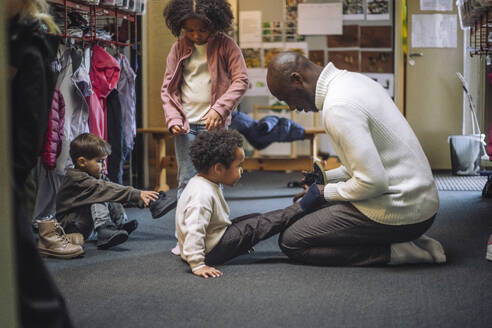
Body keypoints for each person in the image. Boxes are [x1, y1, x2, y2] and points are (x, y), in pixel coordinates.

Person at [266, 52, 446, 266]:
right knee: (307, 212)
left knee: (293, 240)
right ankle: (409, 240)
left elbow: (372, 182)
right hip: (420, 202)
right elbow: (369, 165)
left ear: (297, 80)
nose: (292, 107)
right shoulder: (354, 81)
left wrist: (325, 193)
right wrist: (324, 178)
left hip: (403, 210)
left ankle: (396, 252)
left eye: (287, 98)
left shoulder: (338, 107)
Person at [7, 0, 76, 326]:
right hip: (20, 167)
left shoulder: (28, 49)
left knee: (23, 270)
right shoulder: (22, 43)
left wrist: (16, 177)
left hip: (14, 171)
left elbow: (31, 127)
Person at [161, 0, 249, 255]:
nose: (196, 35)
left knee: (214, 180)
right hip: (186, 125)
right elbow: (168, 89)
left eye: (202, 29)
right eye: (189, 30)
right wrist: (173, 119)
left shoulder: (226, 45)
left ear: (214, 24)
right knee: (187, 181)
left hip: (215, 125)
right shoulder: (178, 47)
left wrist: (219, 109)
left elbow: (241, 81)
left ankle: (216, 233)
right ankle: (185, 238)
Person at [176, 130, 305, 278]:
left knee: (255, 218)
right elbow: (194, 229)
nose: (242, 170)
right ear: (218, 169)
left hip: (213, 239)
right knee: (259, 224)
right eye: (238, 166)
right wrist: (198, 264)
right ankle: (302, 207)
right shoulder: (201, 195)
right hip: (210, 253)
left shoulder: (201, 182)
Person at [55, 133, 161, 249]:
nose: (104, 165)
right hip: (72, 228)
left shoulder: (94, 176)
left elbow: (114, 190)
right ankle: (104, 229)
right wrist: (137, 194)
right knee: (102, 192)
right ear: (82, 162)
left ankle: (118, 225)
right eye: (100, 161)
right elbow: (103, 190)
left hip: (84, 223)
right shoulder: (76, 179)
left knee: (110, 189)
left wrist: (141, 200)